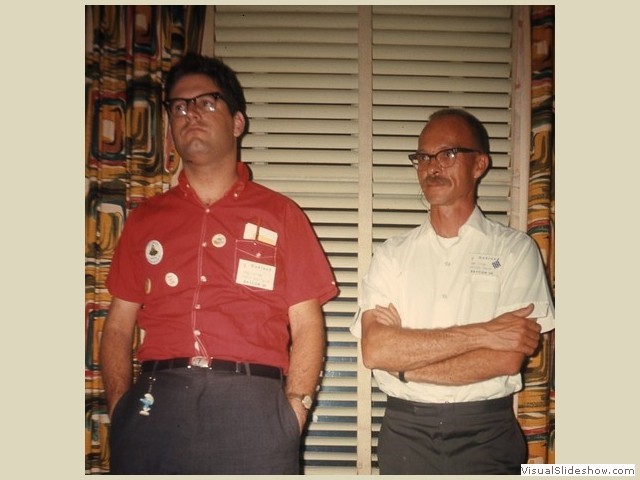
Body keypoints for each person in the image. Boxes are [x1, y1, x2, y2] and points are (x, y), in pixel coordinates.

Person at [100, 53, 338, 475]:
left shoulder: (281, 215)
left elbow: (307, 323)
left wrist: (296, 408)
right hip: (155, 406)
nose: (191, 113)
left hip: (254, 408)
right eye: (179, 106)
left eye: (207, 102)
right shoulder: (145, 220)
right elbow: (118, 325)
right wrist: (120, 406)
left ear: (238, 123)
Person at [351, 108, 555, 475]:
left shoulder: (515, 250)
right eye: (424, 157)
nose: (432, 167)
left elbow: (506, 360)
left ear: (479, 164)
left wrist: (405, 369)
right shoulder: (391, 255)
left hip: (486, 433)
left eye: (447, 154)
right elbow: (377, 349)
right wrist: (485, 332)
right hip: (405, 432)